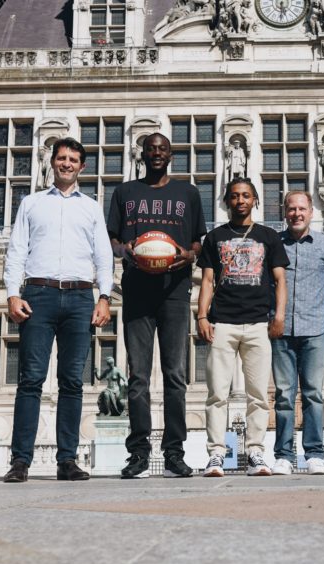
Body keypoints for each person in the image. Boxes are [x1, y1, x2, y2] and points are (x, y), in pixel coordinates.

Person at [2, 137, 114, 483]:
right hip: (39, 293)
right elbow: (17, 249)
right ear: (52, 163)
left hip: (80, 296)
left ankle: (67, 460)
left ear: (83, 166)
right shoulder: (31, 203)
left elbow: (103, 255)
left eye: (73, 159)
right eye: (62, 158)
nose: (67, 164)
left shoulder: (92, 207)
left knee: (71, 382)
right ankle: (20, 460)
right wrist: (11, 293)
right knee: (31, 380)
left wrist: (105, 296)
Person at [108, 132, 207, 479]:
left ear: (171, 154)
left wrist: (188, 255)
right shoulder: (124, 193)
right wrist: (127, 251)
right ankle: (138, 453)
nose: (156, 154)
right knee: (137, 376)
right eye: (151, 149)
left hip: (175, 290)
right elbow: (114, 241)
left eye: (162, 149)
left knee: (175, 375)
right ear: (142, 154)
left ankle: (174, 452)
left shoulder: (188, 193)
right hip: (136, 288)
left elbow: (197, 242)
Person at [197, 178, 288, 477]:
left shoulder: (268, 236)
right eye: (235, 196)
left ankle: (256, 452)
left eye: (246, 196)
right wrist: (201, 316)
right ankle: (216, 454)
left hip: (258, 323)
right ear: (226, 201)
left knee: (259, 394)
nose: (240, 201)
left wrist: (278, 316)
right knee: (217, 393)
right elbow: (208, 281)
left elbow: (279, 281)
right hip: (223, 322)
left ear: (255, 200)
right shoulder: (214, 238)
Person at [270, 191, 324, 476]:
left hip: (314, 328)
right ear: (284, 212)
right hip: (281, 328)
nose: (296, 214)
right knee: (284, 395)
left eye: (302, 209)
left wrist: (314, 308)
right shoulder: (274, 244)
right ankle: (284, 455)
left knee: (313, 393)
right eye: (291, 209)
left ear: (312, 212)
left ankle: (314, 454)